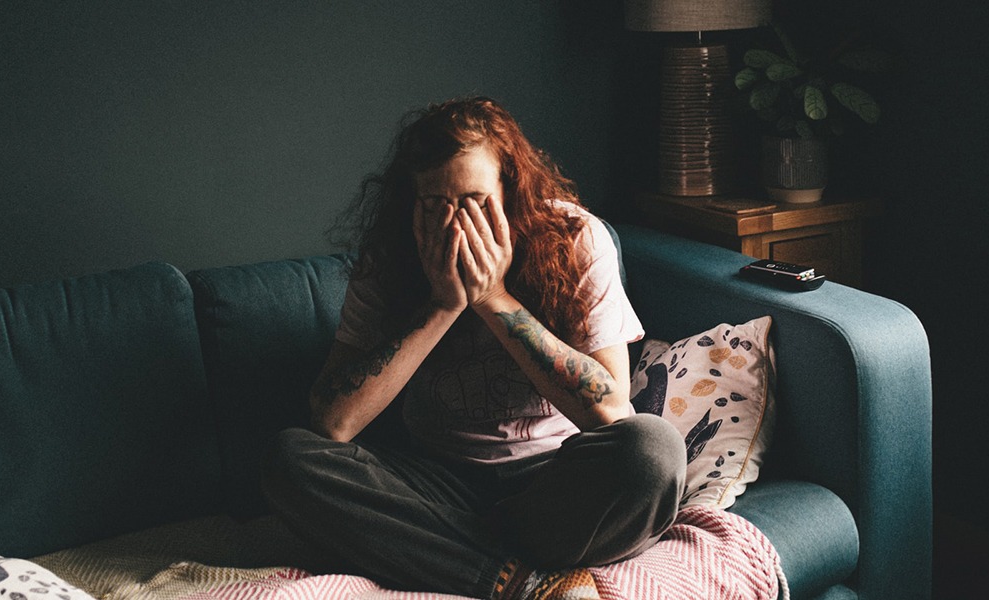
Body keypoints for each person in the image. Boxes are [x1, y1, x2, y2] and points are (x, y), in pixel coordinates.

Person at [262, 96, 686, 600]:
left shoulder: (575, 238)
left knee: (654, 450)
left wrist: (492, 298)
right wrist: (443, 305)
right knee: (288, 458)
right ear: (410, 202)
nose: (458, 225)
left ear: (511, 190)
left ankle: (446, 557)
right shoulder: (389, 257)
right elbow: (334, 423)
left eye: (476, 202)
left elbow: (612, 410)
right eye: (436, 205)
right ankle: (515, 581)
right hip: (433, 484)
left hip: (554, 482)